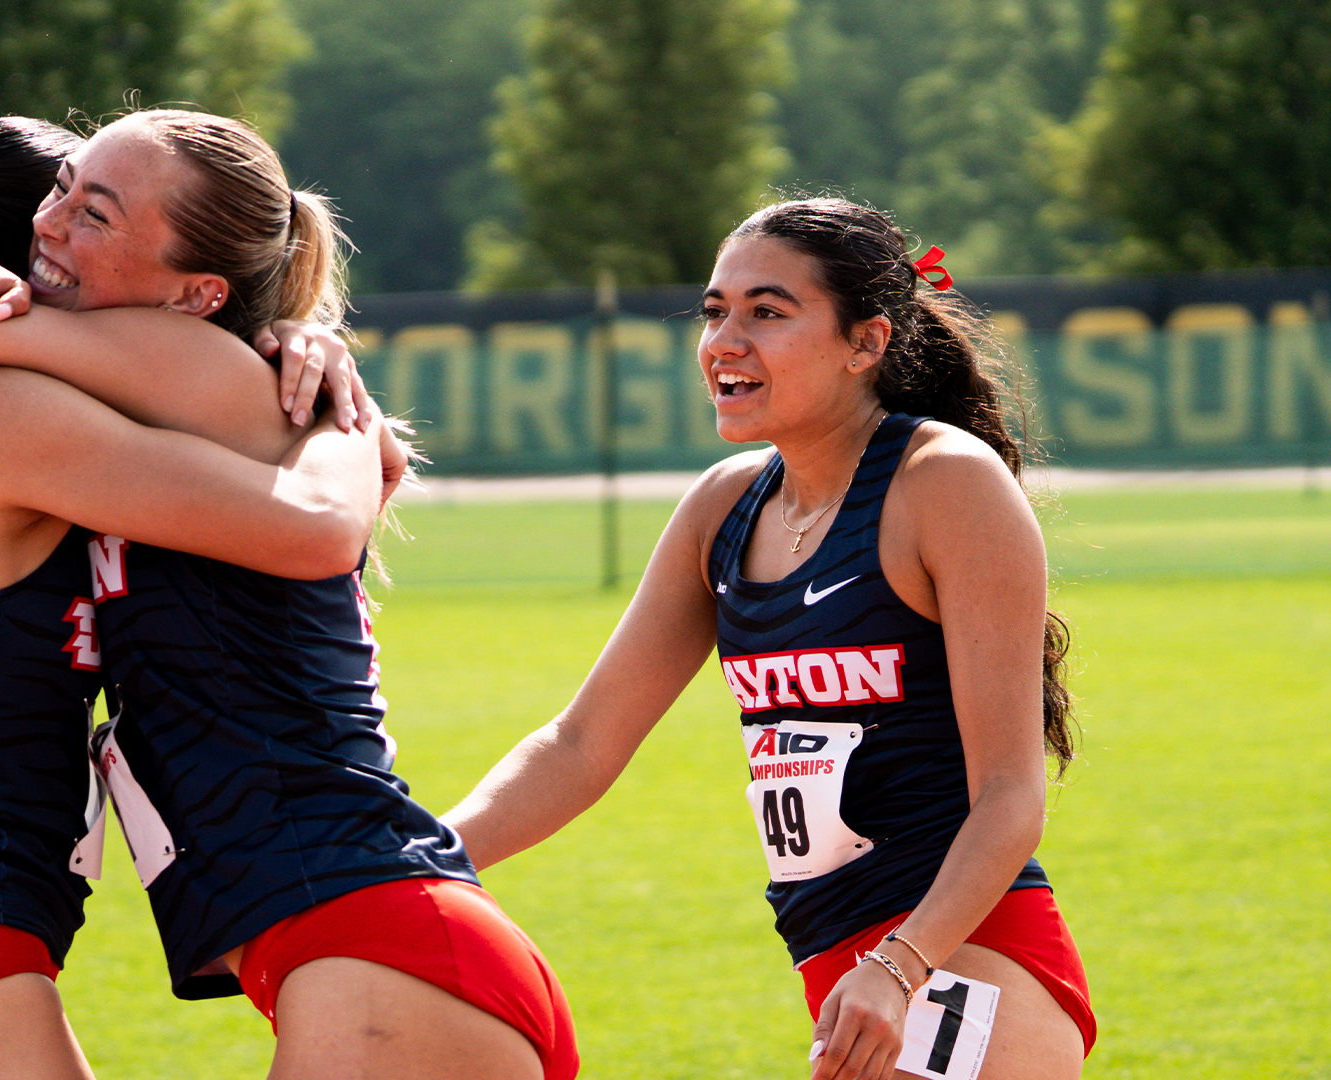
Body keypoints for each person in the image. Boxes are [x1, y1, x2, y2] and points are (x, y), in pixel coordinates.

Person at [0, 109, 577, 1080]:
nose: (52, 228)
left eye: (92, 214)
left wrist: (338, 402)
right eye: (55, 197)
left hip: (359, 936)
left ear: (199, 291)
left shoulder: (144, 383)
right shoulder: (29, 412)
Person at [443, 197, 1095, 1080]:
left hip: (959, 951)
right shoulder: (724, 507)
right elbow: (582, 741)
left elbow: (1012, 798)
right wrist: (422, 857)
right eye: (715, 312)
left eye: (768, 313)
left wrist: (901, 966)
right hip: (836, 957)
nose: (724, 341)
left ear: (865, 343)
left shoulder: (944, 484)